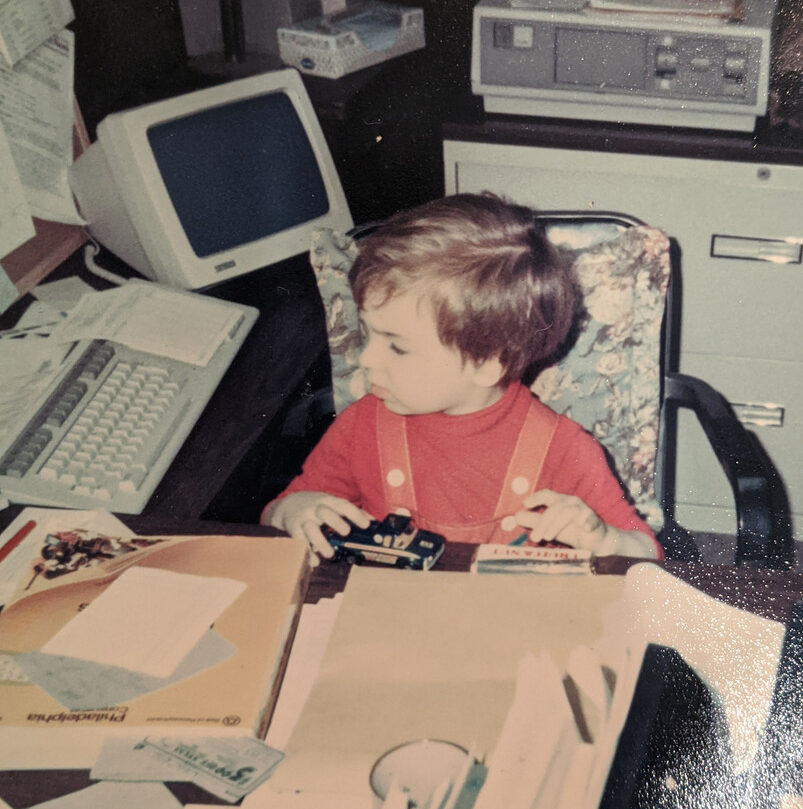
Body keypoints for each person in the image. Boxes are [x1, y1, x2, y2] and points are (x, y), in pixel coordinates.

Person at [263, 193, 661, 564]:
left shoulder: (565, 450)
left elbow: (646, 552)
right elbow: (280, 509)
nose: (365, 359)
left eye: (397, 346)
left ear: (488, 363)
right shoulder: (361, 426)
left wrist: (605, 540)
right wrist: (292, 511)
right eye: (368, 333)